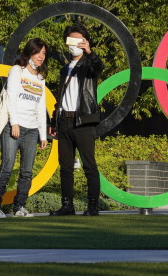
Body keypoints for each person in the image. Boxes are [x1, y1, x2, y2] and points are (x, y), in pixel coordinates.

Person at [0, 38, 48, 218]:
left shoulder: (40, 77)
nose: (41, 57)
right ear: (29, 53)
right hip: (13, 127)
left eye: (44, 53)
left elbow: (40, 106)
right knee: (7, 167)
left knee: (27, 171)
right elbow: (11, 98)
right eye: (38, 53)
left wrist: (43, 134)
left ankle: (19, 206)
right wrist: (14, 122)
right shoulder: (16, 71)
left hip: (31, 130)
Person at [49, 24, 104, 216]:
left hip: (83, 120)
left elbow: (99, 67)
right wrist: (53, 121)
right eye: (70, 40)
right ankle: (67, 205)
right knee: (65, 166)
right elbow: (60, 98)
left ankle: (92, 206)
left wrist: (90, 52)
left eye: (78, 40)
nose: (74, 44)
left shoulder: (88, 65)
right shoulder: (64, 69)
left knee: (89, 164)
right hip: (64, 120)